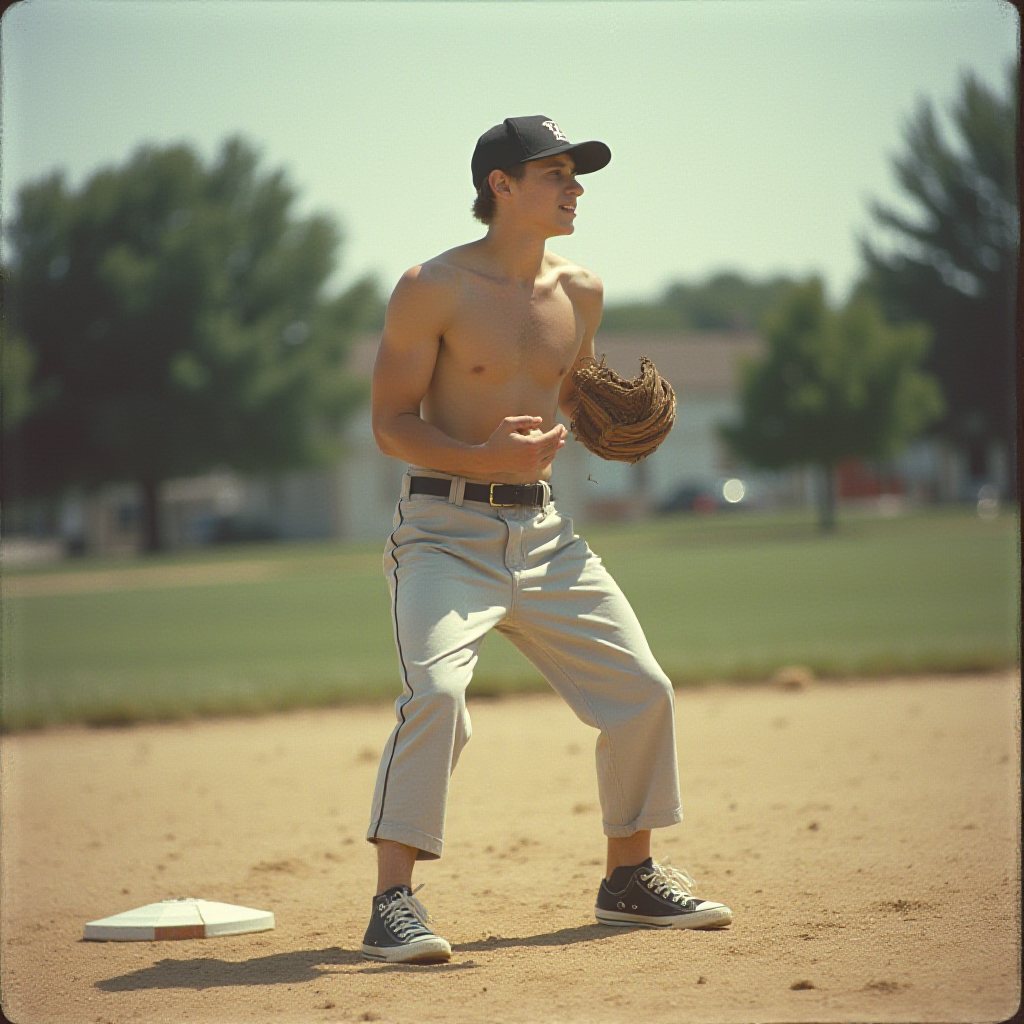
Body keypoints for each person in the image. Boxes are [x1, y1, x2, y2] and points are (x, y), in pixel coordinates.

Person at [361, 116, 732, 964]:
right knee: (439, 697)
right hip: (443, 535)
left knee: (643, 690)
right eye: (555, 173)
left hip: (545, 533)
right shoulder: (431, 286)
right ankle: (393, 901)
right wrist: (480, 454)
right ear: (500, 185)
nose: (575, 187)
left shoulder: (584, 290)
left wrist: (606, 423)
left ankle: (628, 880)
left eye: (577, 173)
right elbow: (389, 423)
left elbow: (573, 397)